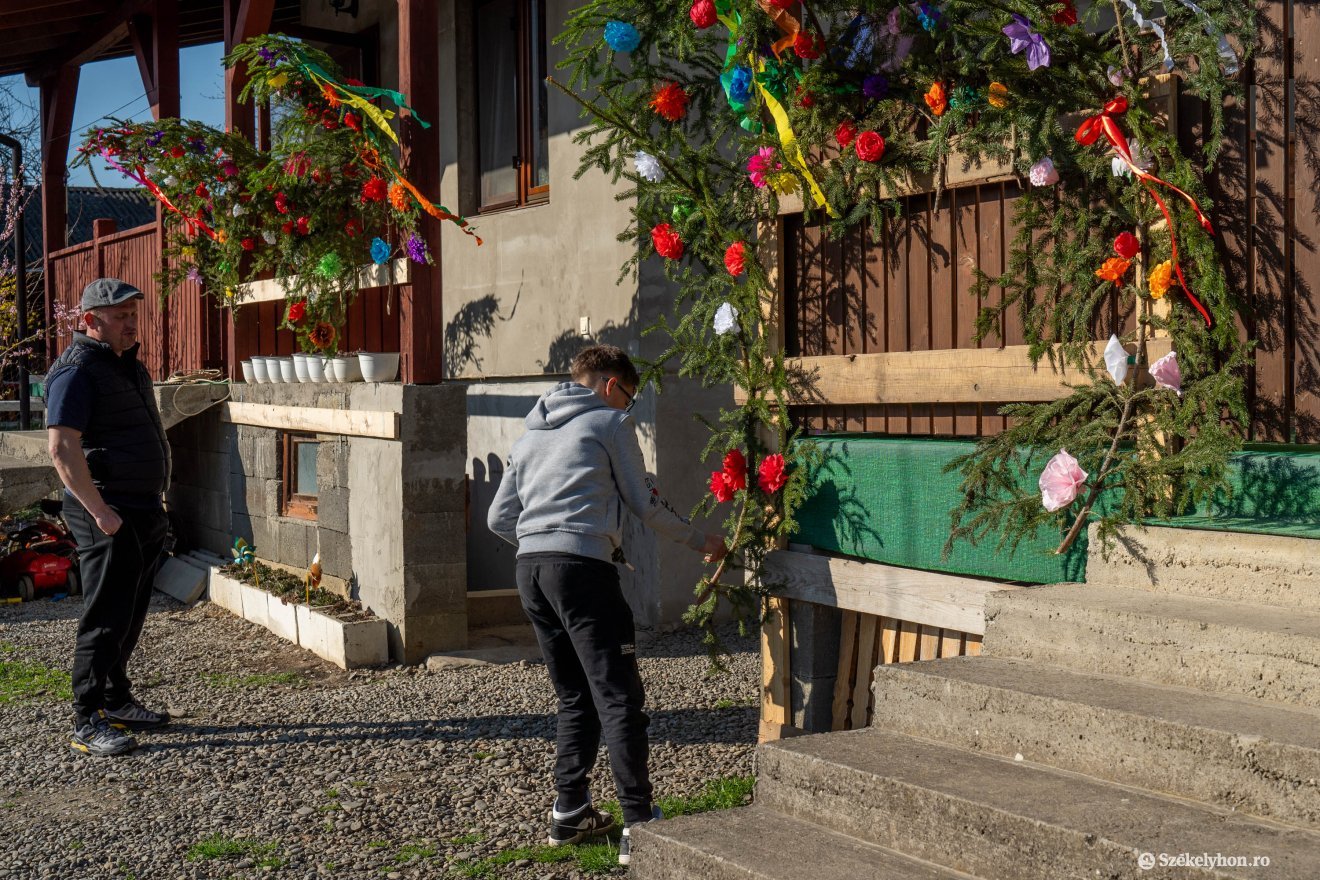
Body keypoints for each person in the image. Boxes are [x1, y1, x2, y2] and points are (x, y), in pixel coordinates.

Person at [487, 344, 727, 866]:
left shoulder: (529, 436)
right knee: (619, 697)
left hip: (531, 571)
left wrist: (544, 543)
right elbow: (644, 503)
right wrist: (700, 540)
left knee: (575, 695)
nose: (628, 408)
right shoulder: (609, 423)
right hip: (583, 572)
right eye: (629, 397)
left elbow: (498, 518)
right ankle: (638, 824)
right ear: (610, 385)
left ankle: (569, 811)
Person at [45, 278, 172, 757]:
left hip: (142, 508)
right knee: (105, 617)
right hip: (106, 511)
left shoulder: (127, 366)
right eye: (120, 316)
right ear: (89, 320)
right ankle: (87, 718)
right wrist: (100, 512)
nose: (130, 324)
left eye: (133, 315)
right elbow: (62, 448)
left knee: (129, 614)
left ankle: (117, 700)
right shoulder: (76, 371)